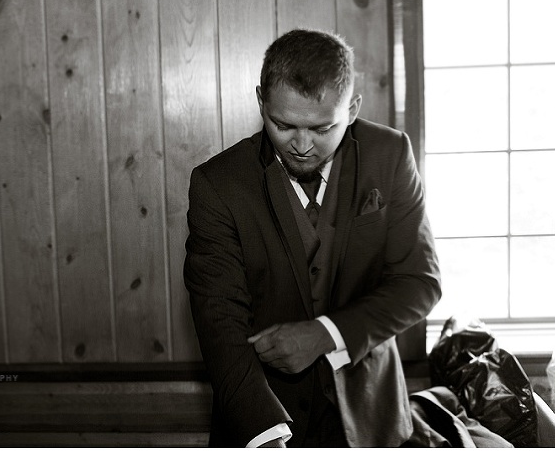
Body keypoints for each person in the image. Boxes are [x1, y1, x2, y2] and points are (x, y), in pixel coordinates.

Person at [183, 29, 442, 447]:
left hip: (371, 415)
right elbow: (219, 320)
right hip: (263, 413)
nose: (302, 146)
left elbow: (419, 283)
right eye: (283, 125)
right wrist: (263, 433)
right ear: (260, 102)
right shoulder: (219, 184)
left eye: (322, 128)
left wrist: (326, 334)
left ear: (352, 109)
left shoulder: (389, 155)